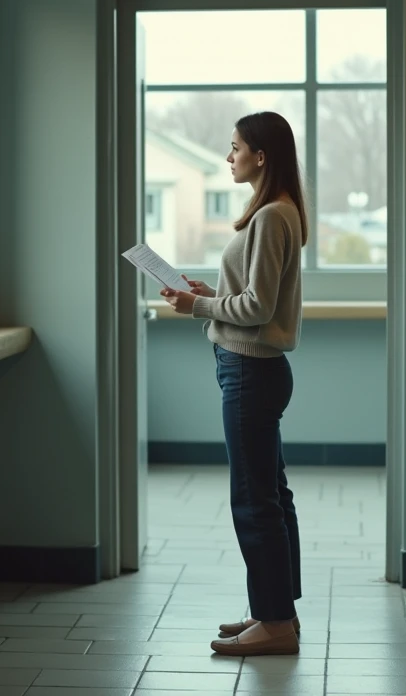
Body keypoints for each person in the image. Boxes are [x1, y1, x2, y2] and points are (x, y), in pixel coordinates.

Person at [159, 111, 307, 657]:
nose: (228, 157)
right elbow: (248, 294)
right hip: (256, 366)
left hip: (249, 368)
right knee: (272, 494)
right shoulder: (282, 211)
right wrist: (208, 291)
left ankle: (274, 623)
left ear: (260, 156)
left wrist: (196, 304)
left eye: (235, 147)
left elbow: (257, 306)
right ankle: (278, 613)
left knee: (254, 501)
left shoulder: (271, 216)